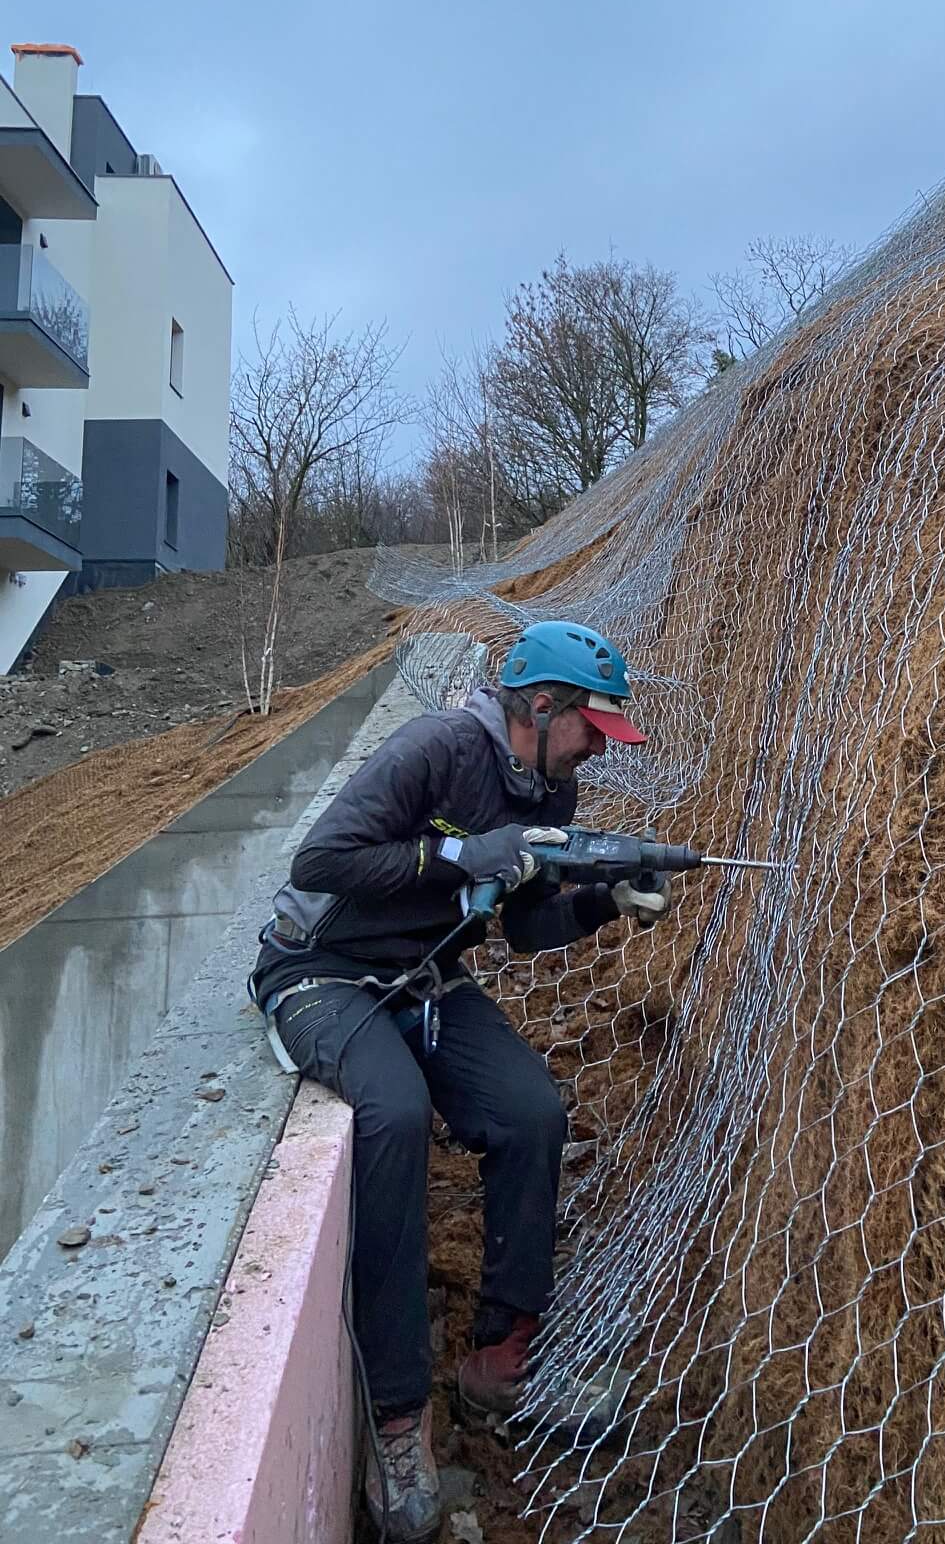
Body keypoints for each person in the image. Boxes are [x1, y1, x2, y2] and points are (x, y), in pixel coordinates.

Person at [249, 620, 667, 1544]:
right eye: (595, 728)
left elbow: (522, 929)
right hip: (323, 969)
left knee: (530, 1113)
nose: (601, 748)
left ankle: (501, 1358)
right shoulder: (437, 750)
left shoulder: (550, 781)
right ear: (544, 705)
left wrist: (606, 900)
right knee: (392, 1117)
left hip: (427, 976)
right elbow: (318, 861)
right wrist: (456, 858)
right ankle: (400, 1415)